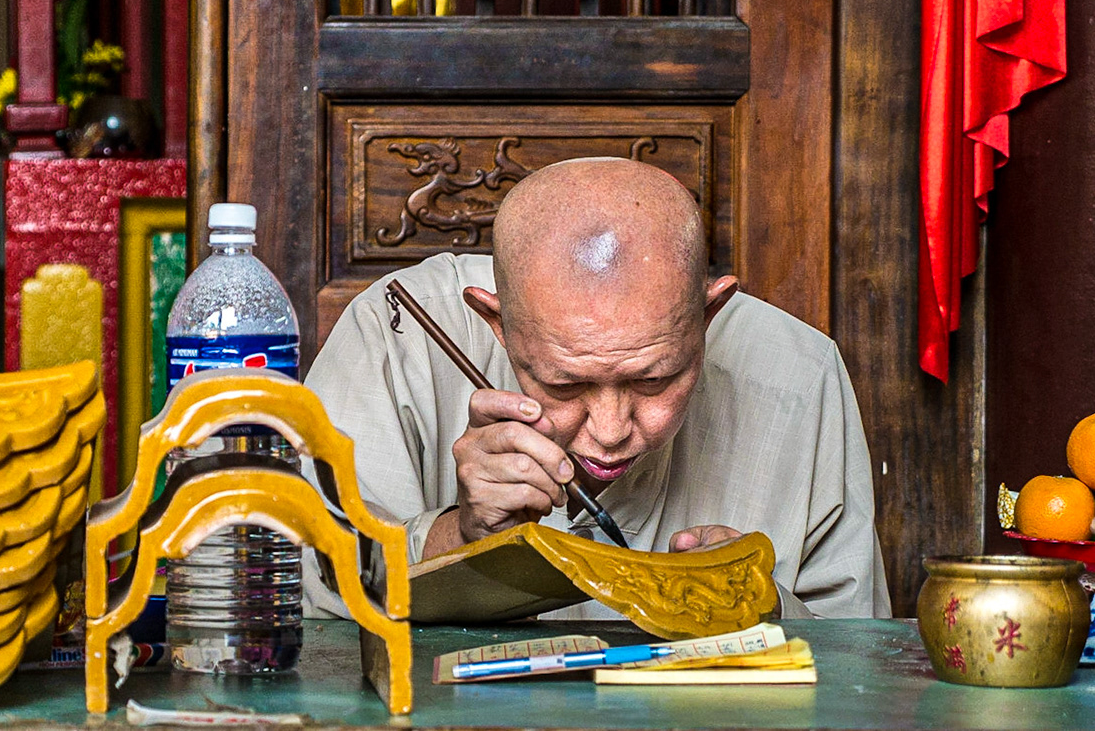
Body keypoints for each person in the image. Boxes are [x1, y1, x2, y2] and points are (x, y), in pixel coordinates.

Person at [304, 157, 890, 619]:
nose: (610, 433)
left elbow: (860, 659)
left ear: (707, 317)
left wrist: (758, 603)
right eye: (565, 383)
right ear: (498, 326)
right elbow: (312, 601)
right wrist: (460, 535)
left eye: (653, 380)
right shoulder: (397, 336)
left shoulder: (798, 373)